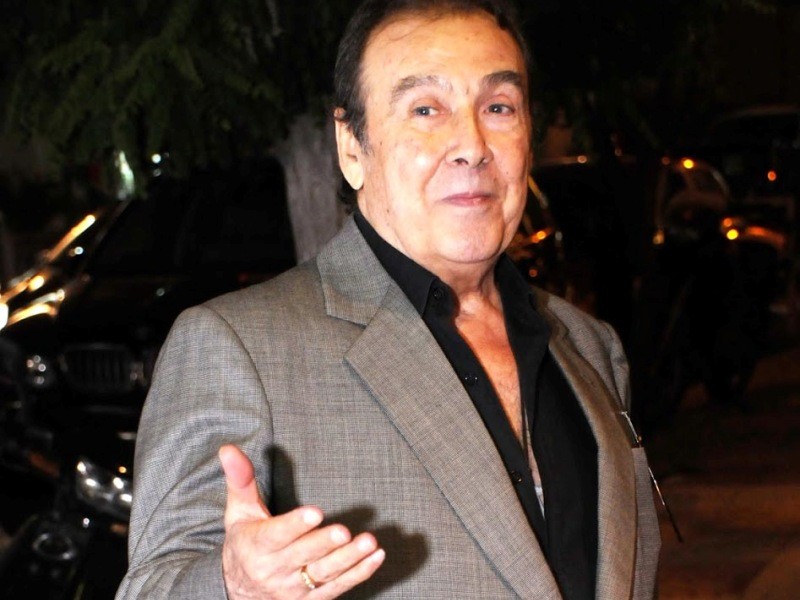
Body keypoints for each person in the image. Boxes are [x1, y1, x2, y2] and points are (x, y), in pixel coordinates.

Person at [116, 0, 660, 598]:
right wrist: (234, 585)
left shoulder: (588, 346)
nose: (472, 144)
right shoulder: (237, 348)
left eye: (498, 107)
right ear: (352, 146)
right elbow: (152, 585)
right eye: (426, 109)